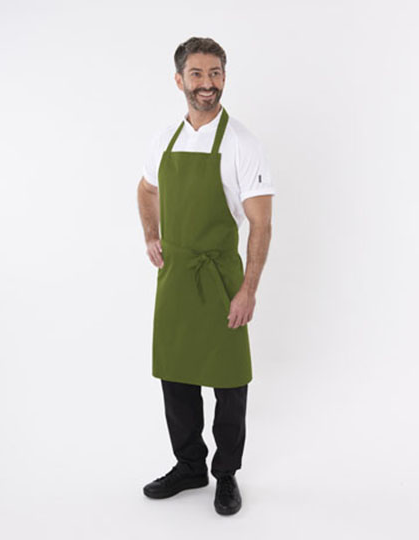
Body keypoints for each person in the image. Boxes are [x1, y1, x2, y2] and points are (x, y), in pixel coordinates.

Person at [137, 36, 275, 516]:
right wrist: (151, 235)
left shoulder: (242, 144)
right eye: (197, 73)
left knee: (229, 383)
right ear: (179, 80)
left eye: (215, 73)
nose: (207, 83)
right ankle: (190, 465)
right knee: (175, 377)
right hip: (175, 275)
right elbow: (146, 189)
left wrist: (248, 290)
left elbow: (261, 223)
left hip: (220, 276)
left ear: (224, 78)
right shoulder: (165, 139)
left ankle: (226, 474)